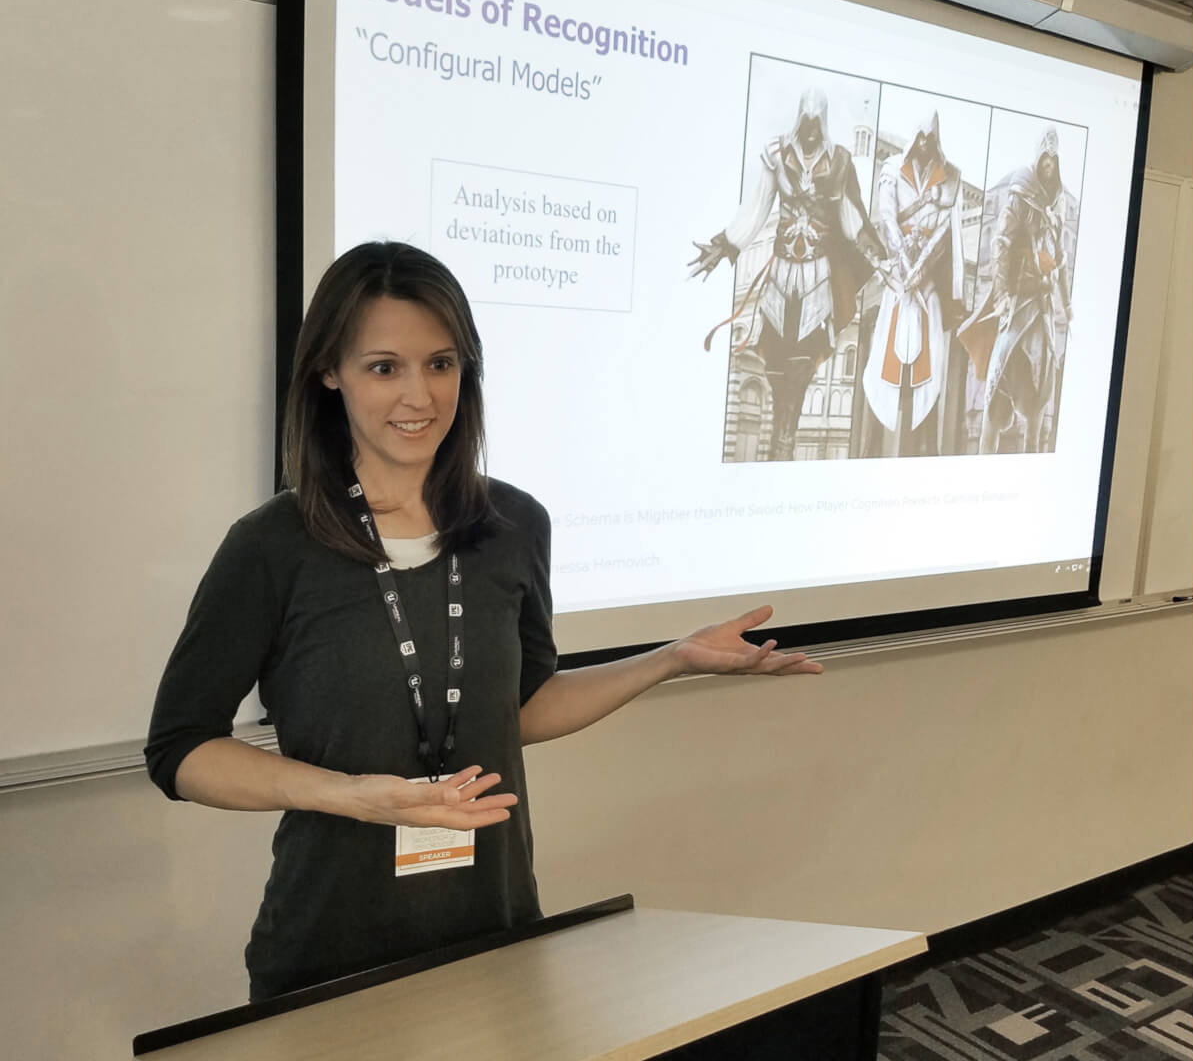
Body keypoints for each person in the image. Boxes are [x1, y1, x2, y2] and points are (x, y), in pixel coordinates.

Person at [146, 241, 823, 1002]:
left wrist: (667, 659)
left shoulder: (514, 525)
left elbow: (520, 708)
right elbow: (181, 750)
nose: (420, 396)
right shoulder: (274, 546)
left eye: (441, 364)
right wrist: (351, 795)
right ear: (328, 372)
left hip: (495, 928)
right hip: (330, 949)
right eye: (384, 368)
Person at [690, 87, 885, 460]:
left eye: (816, 125)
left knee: (802, 365)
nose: (810, 132)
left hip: (817, 278)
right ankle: (782, 440)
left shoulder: (840, 161)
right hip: (781, 278)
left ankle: (785, 440)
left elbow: (851, 219)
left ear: (822, 124)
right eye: (805, 124)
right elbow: (757, 207)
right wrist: (726, 244)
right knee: (777, 366)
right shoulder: (776, 155)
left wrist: (878, 256)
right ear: (799, 120)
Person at [958, 126, 1073, 453]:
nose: (1049, 166)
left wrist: (1066, 302)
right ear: (1038, 160)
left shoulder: (1059, 203)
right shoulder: (1020, 194)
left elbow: (1061, 257)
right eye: (1045, 160)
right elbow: (1001, 244)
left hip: (1045, 302)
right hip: (1019, 298)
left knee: (1045, 375)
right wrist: (1004, 294)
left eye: (1054, 160)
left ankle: (1034, 448)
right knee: (999, 367)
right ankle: (985, 446)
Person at [860, 110, 965, 456]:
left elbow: (944, 232)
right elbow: (888, 218)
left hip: (926, 284)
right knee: (880, 362)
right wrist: (904, 263)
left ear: (935, 142)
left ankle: (924, 447)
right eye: (920, 138)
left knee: (932, 361)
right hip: (896, 282)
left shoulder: (949, 179)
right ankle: (872, 446)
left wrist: (921, 267)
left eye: (929, 140)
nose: (923, 144)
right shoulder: (891, 170)